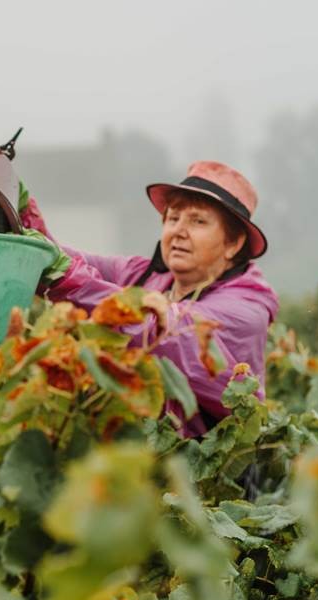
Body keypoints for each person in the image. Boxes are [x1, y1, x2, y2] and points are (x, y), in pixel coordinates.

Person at [22, 161, 279, 437]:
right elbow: (68, 260)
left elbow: (167, 334)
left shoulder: (246, 310)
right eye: (173, 218)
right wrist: (22, 214)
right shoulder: (147, 275)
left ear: (234, 243)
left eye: (198, 221)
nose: (179, 230)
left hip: (200, 471)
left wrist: (69, 278)